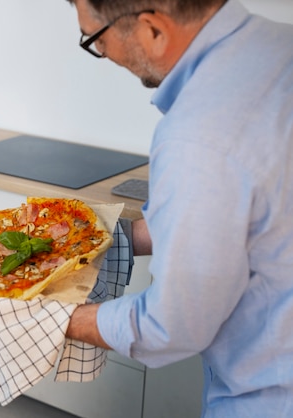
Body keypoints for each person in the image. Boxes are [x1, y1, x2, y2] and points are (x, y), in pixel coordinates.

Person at [63, 0, 293, 416]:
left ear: (153, 29)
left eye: (96, 39)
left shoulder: (198, 136)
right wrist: (107, 240)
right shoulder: (281, 45)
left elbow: (168, 327)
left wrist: (54, 319)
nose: (104, 54)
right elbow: (253, 217)